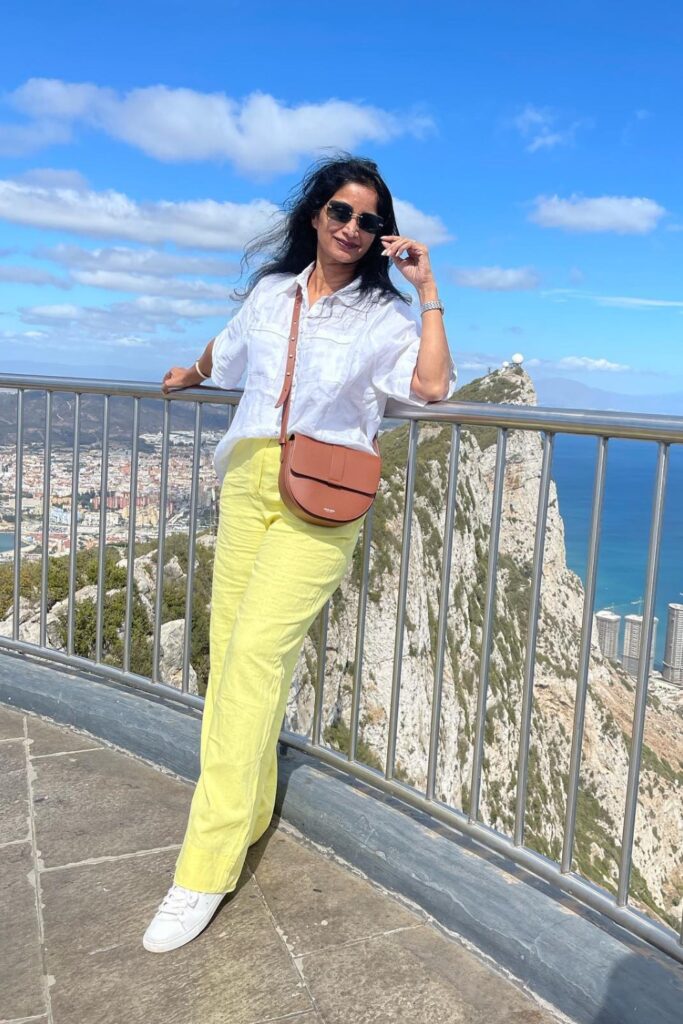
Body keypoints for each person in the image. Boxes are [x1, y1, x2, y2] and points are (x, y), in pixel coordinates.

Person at [143, 154, 457, 952]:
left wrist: (425, 289)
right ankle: (249, 811)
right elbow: (228, 349)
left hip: (322, 496)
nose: (352, 228)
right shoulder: (271, 294)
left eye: (369, 220)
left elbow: (431, 388)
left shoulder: (382, 316)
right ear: (315, 215)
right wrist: (192, 372)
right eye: (340, 212)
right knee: (233, 655)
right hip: (248, 479)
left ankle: (203, 868)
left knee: (254, 657)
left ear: (381, 234)